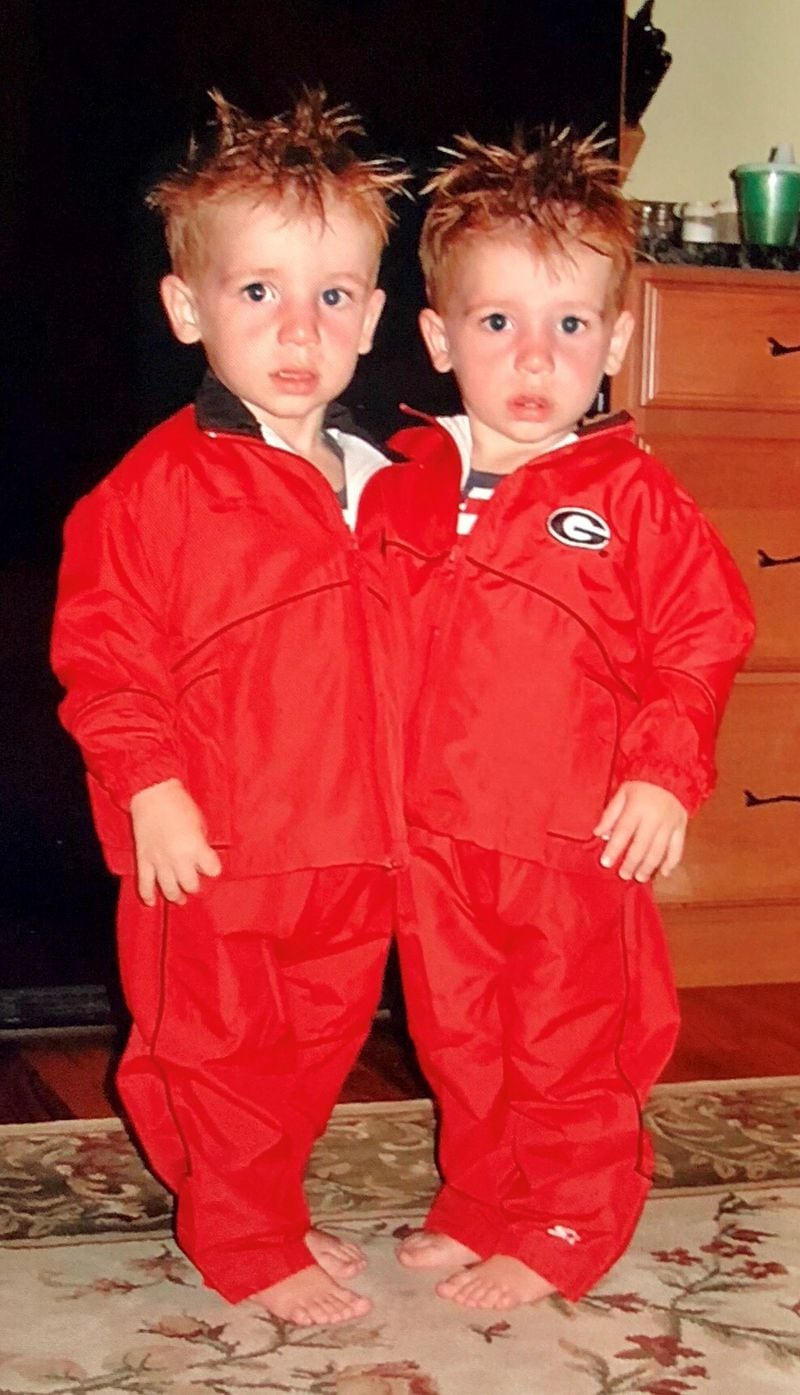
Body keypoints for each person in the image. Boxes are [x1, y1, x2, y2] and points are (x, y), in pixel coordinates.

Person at [360, 128, 755, 1311]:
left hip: (567, 842)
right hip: (430, 838)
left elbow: (700, 640)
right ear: (437, 337)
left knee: (568, 1041)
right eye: (496, 324)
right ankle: (483, 1195)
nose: (534, 358)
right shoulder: (398, 483)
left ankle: (571, 1216)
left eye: (568, 326)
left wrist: (658, 773)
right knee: (459, 1037)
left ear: (616, 341)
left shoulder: (630, 498)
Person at [51, 89, 409, 1327]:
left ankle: (258, 1192)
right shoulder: (152, 491)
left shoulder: (392, 483)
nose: (296, 328)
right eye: (257, 292)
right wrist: (149, 787)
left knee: (312, 1052)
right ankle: (242, 1233)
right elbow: (105, 660)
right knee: (211, 1055)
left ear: (368, 312)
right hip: (215, 852)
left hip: (355, 849)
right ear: (187, 306)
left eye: (330, 294)